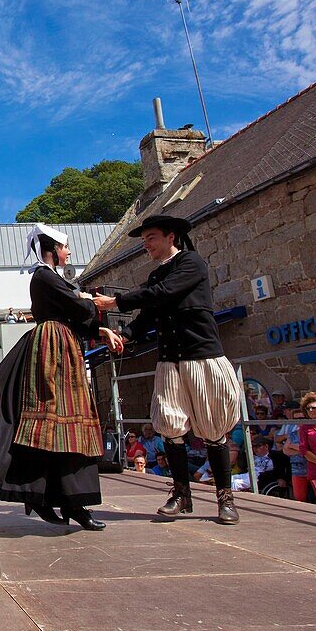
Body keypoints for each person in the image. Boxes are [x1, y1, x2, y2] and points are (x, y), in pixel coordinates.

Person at [94, 215, 244, 525]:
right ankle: (181, 494)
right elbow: (148, 315)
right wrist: (125, 335)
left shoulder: (191, 263)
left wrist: (115, 302)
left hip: (201, 355)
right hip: (169, 360)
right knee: (170, 426)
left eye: (151, 238)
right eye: (145, 239)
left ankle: (225, 499)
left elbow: (162, 294)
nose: (146, 244)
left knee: (214, 429)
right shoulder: (156, 276)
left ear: (170, 237)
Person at [0, 223, 124, 532]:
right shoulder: (43, 276)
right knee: (52, 424)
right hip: (51, 349)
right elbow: (76, 307)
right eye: (65, 248)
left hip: (63, 345)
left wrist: (101, 328)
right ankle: (49, 499)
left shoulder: (53, 278)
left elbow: (74, 315)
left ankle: (68, 501)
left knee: (68, 428)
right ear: (53, 251)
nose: (69, 252)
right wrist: (91, 301)